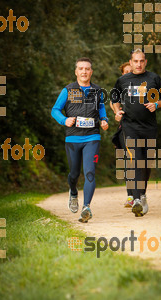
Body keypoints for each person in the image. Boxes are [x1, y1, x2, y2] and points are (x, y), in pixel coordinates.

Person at [112, 49, 161, 217]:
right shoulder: (122, 80)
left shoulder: (154, 78)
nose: (138, 64)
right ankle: (136, 199)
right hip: (130, 126)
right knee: (135, 159)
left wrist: (157, 105)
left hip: (149, 127)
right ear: (130, 62)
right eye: (135, 61)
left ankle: (142, 195)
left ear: (145, 62)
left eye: (141, 61)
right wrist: (117, 112)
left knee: (146, 162)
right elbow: (114, 99)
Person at [51, 57, 108, 223]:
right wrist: (64, 120)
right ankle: (73, 192)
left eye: (87, 69)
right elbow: (55, 110)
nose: (84, 71)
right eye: (81, 68)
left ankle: (86, 207)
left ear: (91, 71)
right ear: (76, 71)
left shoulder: (97, 91)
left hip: (92, 137)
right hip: (73, 138)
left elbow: (101, 108)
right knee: (74, 173)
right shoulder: (68, 90)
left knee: (89, 172)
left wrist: (104, 120)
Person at [111, 62, 134, 207]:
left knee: (138, 161)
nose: (128, 74)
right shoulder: (120, 87)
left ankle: (140, 193)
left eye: (131, 71)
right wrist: (117, 112)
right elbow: (114, 102)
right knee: (128, 161)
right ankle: (131, 196)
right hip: (124, 129)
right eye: (126, 72)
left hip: (142, 128)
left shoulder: (142, 87)